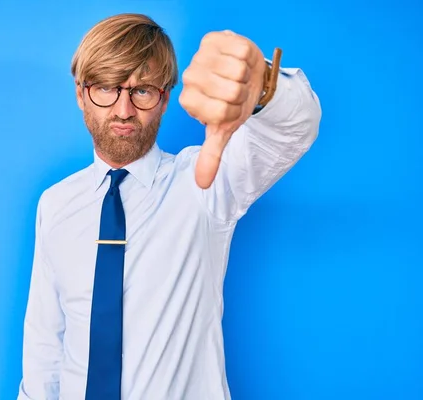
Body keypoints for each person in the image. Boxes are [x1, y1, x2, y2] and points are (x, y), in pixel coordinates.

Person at [17, 12, 321, 400]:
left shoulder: (205, 185)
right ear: (81, 93)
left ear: (165, 98)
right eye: (107, 88)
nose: (124, 110)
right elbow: (45, 347)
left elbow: (295, 128)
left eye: (141, 90)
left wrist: (261, 84)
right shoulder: (55, 204)